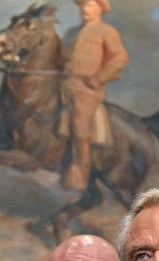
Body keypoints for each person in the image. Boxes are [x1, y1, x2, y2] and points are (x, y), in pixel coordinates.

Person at [61, 0, 129, 190]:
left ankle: (80, 175)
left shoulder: (106, 31)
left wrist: (99, 78)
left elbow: (120, 57)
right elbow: (61, 57)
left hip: (87, 89)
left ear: (100, 8)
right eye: (82, 5)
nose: (84, 9)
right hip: (64, 85)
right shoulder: (70, 33)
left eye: (89, 5)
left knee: (79, 124)